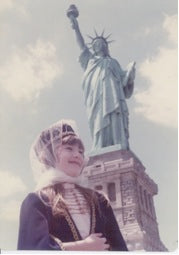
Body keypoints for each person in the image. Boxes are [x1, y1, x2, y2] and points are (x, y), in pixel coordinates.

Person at [17, 119, 128, 251]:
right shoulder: (37, 201)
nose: (77, 155)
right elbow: (31, 248)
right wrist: (83, 247)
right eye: (69, 149)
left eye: (81, 152)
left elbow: (119, 247)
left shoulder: (100, 200)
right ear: (47, 156)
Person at [67, 5, 136, 151]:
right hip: (96, 97)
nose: (98, 46)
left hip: (114, 98)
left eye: (101, 44)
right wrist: (75, 26)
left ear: (106, 47)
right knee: (99, 120)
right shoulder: (90, 60)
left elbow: (124, 83)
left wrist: (130, 74)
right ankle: (100, 146)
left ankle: (119, 143)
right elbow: (81, 44)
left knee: (115, 117)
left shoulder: (113, 62)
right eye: (95, 44)